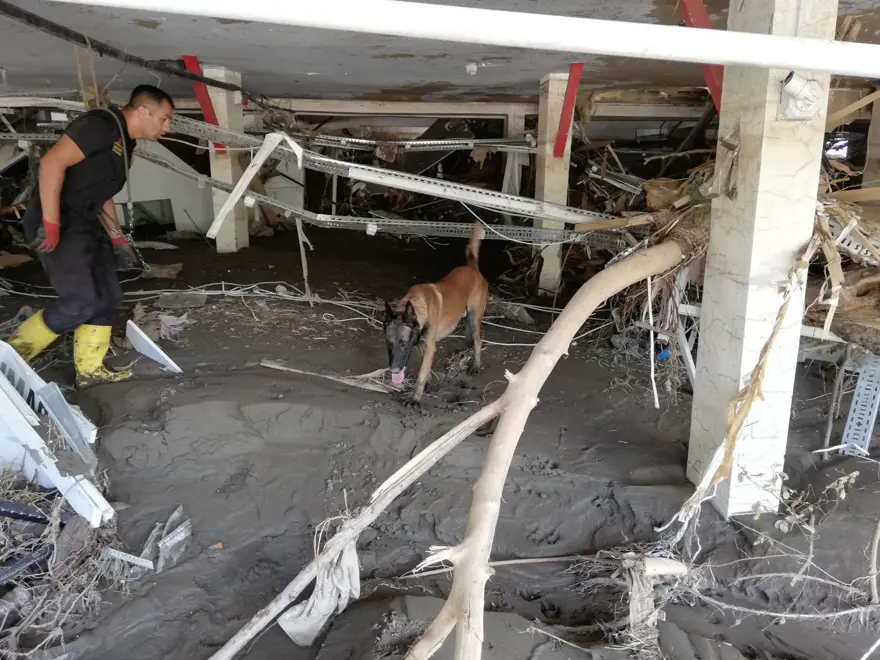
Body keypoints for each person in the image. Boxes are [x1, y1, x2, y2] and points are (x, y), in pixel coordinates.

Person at [8, 85, 174, 387]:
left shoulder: (125, 144)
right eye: (163, 118)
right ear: (142, 111)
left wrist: (117, 238)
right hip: (56, 220)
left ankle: (90, 371)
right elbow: (51, 164)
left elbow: (102, 195)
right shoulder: (99, 126)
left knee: (108, 297)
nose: (167, 126)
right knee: (81, 301)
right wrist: (52, 222)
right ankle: (8, 359)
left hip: (85, 221)